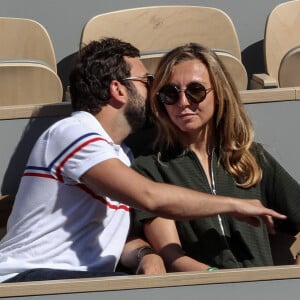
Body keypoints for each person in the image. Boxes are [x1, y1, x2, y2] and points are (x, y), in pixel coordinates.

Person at [0, 38, 285, 283]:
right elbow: (150, 197)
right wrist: (234, 203)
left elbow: (109, 238)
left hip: (83, 281)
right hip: (28, 277)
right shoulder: (74, 131)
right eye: (147, 81)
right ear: (118, 89)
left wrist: (145, 255)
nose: (155, 93)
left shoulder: (123, 156)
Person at [131, 43, 300, 271]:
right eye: (170, 94)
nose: (183, 103)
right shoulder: (150, 167)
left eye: (196, 91)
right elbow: (171, 254)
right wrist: (221, 282)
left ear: (219, 93)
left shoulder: (251, 157)